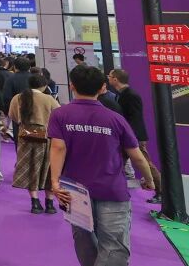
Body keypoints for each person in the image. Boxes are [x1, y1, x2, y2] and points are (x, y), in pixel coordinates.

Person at [50, 65, 155, 266]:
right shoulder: (116, 119)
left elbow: (58, 148)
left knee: (83, 239)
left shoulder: (60, 115)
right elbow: (137, 157)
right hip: (112, 189)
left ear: (72, 86)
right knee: (114, 245)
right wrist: (148, 180)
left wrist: (55, 182)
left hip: (73, 190)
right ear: (102, 88)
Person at [107, 68, 161, 202]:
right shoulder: (122, 94)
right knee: (118, 163)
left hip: (134, 137)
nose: (108, 78)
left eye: (110, 76)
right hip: (128, 136)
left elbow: (135, 118)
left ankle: (160, 192)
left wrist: (130, 136)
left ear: (115, 79)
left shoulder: (130, 95)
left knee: (146, 163)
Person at [8, 73, 60, 214]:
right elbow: (58, 115)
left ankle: (35, 203)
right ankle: (50, 203)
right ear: (44, 85)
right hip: (46, 138)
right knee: (48, 169)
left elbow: (12, 115)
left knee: (30, 167)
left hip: (25, 136)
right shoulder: (49, 99)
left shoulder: (18, 97)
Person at [1, 57, 33, 135]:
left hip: (17, 110)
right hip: (34, 109)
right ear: (29, 67)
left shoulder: (11, 79)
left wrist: (7, 112)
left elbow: (6, 97)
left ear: (15, 66)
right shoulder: (34, 77)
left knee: (19, 135)